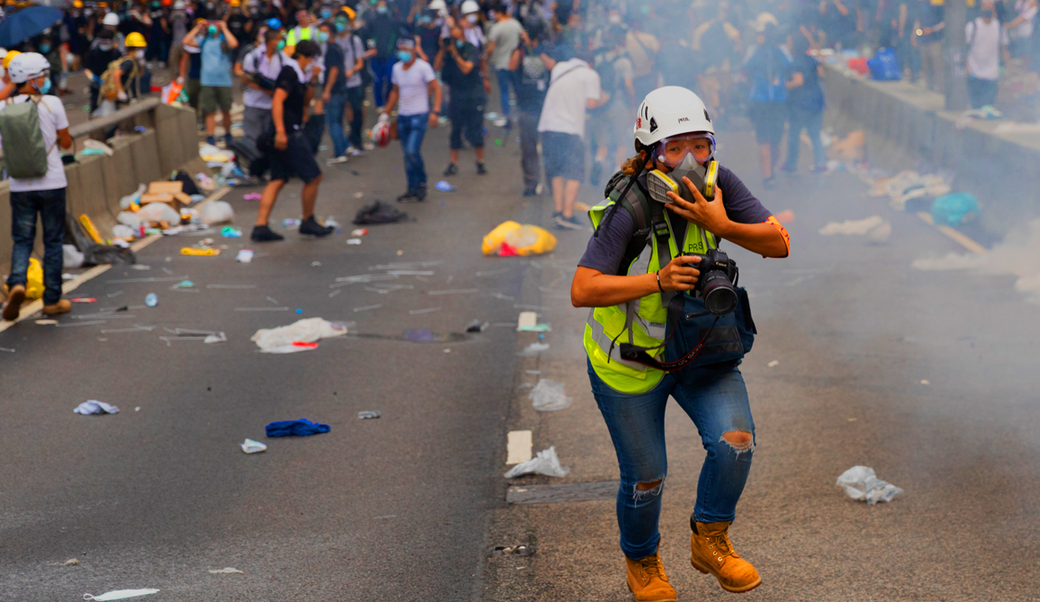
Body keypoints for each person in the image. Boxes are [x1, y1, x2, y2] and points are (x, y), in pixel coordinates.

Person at [570, 86, 790, 602]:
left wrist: (722, 224)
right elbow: (583, 290)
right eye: (674, 148)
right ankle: (642, 560)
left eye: (701, 145)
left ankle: (710, 538)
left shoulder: (719, 185)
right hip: (630, 363)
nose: (690, 160)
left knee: (735, 443)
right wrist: (658, 280)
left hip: (700, 350)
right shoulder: (632, 202)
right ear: (650, 152)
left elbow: (778, 243)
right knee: (646, 479)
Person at [1, 53, 75, 321]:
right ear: (32, 79)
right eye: (41, 75)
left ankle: (17, 282)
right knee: (53, 241)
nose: (44, 79)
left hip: (20, 185)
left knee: (22, 240)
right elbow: (65, 142)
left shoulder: (3, 109)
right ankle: (52, 300)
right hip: (53, 182)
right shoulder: (52, 103)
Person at [252, 39, 334, 242]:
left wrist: (312, 80)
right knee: (314, 177)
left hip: (285, 133)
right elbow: (278, 100)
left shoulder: (299, 73)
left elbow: (306, 101)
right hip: (288, 134)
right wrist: (280, 131)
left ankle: (260, 226)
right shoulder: (289, 72)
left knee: (277, 179)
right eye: (312, 59)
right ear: (306, 57)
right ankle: (308, 221)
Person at [537, 47, 609, 230]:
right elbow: (591, 103)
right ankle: (567, 215)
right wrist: (604, 99)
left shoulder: (560, 68)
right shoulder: (590, 74)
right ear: (590, 63)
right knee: (574, 171)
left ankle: (558, 210)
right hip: (570, 129)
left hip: (547, 126)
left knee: (556, 169)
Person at [384, 38, 441, 202]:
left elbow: (436, 88)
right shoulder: (396, 69)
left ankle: (421, 182)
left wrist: (435, 112)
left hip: (419, 115)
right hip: (403, 116)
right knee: (407, 155)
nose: (402, 52)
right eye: (400, 49)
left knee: (412, 151)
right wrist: (386, 112)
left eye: (405, 50)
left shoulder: (423, 67)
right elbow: (395, 91)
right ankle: (412, 188)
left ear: (414, 50)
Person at [743, 21, 790, 188]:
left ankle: (770, 171)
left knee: (771, 140)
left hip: (770, 101)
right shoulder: (762, 51)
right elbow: (746, 65)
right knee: (768, 140)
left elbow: (789, 66)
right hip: (767, 102)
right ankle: (768, 174)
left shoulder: (775, 51)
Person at [437, 21, 486, 176]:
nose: (453, 40)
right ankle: (453, 163)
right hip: (456, 96)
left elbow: (466, 68)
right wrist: (442, 49)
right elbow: (437, 67)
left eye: (455, 36)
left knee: (475, 130)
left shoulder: (471, 49)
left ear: (463, 35)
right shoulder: (448, 52)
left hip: (473, 95)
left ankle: (480, 161)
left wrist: (455, 53)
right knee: (455, 130)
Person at [589, 24, 635, 188]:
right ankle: (618, 173)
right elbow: (628, 85)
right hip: (618, 104)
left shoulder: (599, 59)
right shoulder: (624, 62)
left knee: (603, 142)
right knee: (620, 140)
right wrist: (633, 105)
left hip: (601, 105)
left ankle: (599, 161)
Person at [510, 18, 552, 196]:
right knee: (528, 148)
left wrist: (536, 49)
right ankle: (531, 181)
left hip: (546, 107)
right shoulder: (519, 50)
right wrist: (522, 46)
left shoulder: (546, 48)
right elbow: (511, 66)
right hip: (526, 106)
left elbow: (552, 66)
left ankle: (552, 182)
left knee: (549, 147)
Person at [239, 28, 286, 177]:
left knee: (268, 140)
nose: (280, 42)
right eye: (278, 39)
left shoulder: (282, 57)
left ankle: (266, 169)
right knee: (252, 138)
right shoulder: (253, 57)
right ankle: (253, 170)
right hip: (253, 104)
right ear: (272, 41)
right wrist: (264, 89)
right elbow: (245, 79)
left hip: (271, 106)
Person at [184, 18, 238, 146]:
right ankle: (210, 135)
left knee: (226, 109)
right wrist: (198, 28)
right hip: (207, 81)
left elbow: (234, 44)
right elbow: (185, 41)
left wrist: (224, 28)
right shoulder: (204, 40)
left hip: (224, 81)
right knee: (209, 110)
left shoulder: (224, 39)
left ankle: (228, 134)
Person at [782, 34, 826, 173]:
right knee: (815, 135)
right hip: (816, 101)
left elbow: (798, 81)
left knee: (794, 135)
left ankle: (791, 164)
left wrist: (782, 86)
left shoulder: (797, 62)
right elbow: (821, 74)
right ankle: (820, 163)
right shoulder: (811, 60)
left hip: (801, 105)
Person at [484, 3, 524, 128]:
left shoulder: (496, 28)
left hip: (501, 64)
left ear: (498, 13)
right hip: (515, 63)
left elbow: (490, 49)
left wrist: (486, 60)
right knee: (517, 90)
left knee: (504, 91)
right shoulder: (515, 24)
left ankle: (507, 116)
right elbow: (523, 38)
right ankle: (521, 113)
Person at [966, 1, 1010, 109]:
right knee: (976, 107)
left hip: (992, 74)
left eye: (991, 7)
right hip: (974, 73)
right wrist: (967, 67)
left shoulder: (999, 27)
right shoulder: (972, 26)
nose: (988, 9)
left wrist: (1008, 67)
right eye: (986, 7)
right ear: (980, 9)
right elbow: (966, 48)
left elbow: (1004, 49)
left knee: (988, 107)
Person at [334, 10, 366, 156]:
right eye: (338, 21)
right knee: (344, 111)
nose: (340, 24)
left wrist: (351, 71)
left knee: (357, 110)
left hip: (354, 82)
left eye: (342, 21)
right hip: (339, 83)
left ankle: (357, 137)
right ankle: (349, 139)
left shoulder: (355, 40)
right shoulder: (332, 40)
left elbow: (360, 62)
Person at [318, 20, 350, 163]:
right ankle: (345, 146)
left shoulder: (331, 49)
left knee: (333, 123)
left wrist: (327, 90)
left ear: (330, 33)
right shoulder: (335, 48)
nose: (321, 34)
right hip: (341, 90)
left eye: (324, 31)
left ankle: (340, 153)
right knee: (337, 121)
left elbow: (334, 70)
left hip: (335, 91)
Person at [360, 0, 400, 110]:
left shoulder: (392, 22)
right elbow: (368, 36)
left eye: (383, 5)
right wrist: (371, 48)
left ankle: (389, 102)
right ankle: (379, 104)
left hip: (389, 55)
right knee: (377, 81)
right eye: (380, 5)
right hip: (376, 56)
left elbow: (394, 37)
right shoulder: (372, 21)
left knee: (390, 79)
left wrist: (391, 50)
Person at [85, 29, 120, 113]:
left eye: (106, 42)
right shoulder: (94, 53)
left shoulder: (116, 54)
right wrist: (92, 78)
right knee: (95, 108)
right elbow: (87, 68)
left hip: (112, 87)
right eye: (101, 41)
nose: (104, 44)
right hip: (96, 87)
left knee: (113, 109)